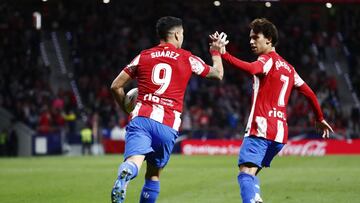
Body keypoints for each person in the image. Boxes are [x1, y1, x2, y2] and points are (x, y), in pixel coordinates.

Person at [210, 18, 334, 203]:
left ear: (268, 40)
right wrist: (319, 117)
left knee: (245, 173)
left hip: (260, 128)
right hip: (279, 135)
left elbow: (252, 68)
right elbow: (308, 93)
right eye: (250, 38)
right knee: (252, 173)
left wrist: (223, 54)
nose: (251, 41)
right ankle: (256, 198)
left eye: (255, 37)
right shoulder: (289, 68)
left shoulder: (266, 60)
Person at [110, 16, 226, 203]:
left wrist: (128, 110)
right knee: (153, 175)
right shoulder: (187, 58)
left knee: (133, 162)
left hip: (142, 119)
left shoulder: (144, 55)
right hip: (168, 125)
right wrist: (215, 52)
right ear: (177, 35)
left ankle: (128, 172)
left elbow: (115, 86)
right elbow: (218, 74)